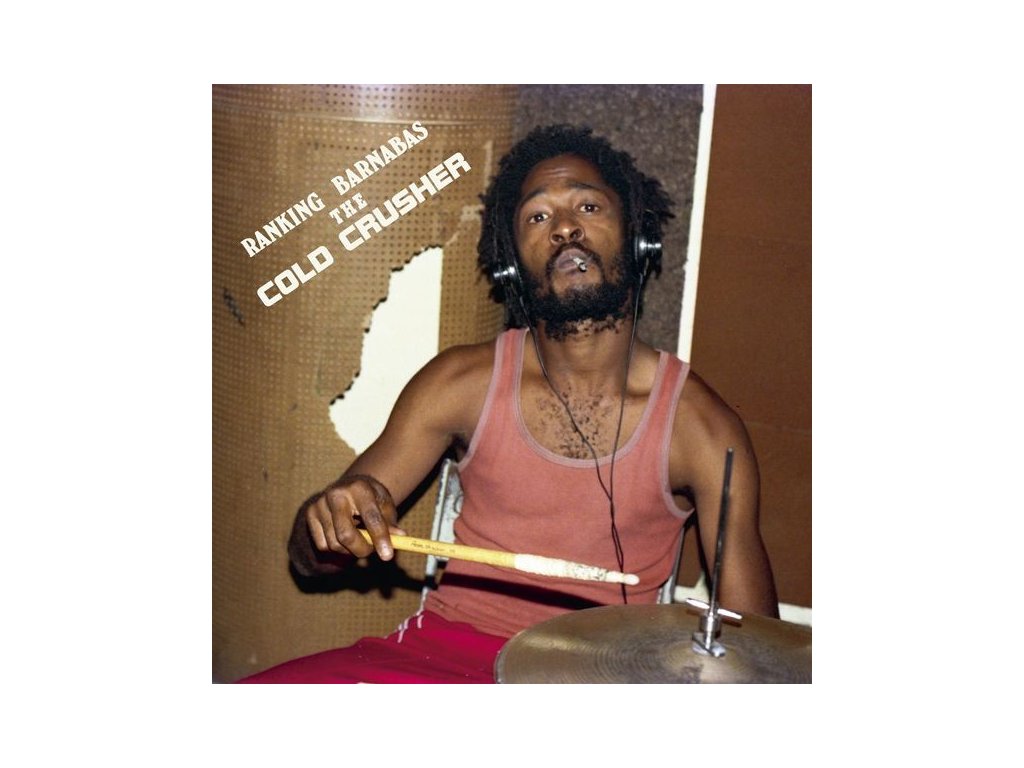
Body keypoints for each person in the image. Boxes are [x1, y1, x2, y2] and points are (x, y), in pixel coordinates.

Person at [240, 124, 779, 684]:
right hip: (440, 655)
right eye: (537, 217)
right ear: (511, 264)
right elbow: (309, 559)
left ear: (638, 237)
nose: (565, 227)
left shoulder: (702, 428)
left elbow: (760, 652)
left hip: (598, 680)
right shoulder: (459, 382)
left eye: (588, 206)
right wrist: (326, 522)